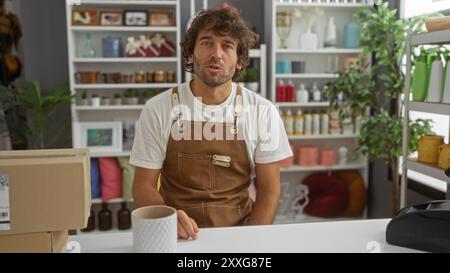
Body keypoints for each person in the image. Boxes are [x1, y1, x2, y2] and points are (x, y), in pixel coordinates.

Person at [130, 7, 292, 240]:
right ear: (189, 55)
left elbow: (269, 192)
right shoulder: (158, 108)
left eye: (227, 45)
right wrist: (167, 219)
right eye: (207, 43)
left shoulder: (262, 112)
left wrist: (249, 242)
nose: (216, 53)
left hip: (239, 234)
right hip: (175, 237)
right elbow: (143, 186)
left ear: (239, 61)